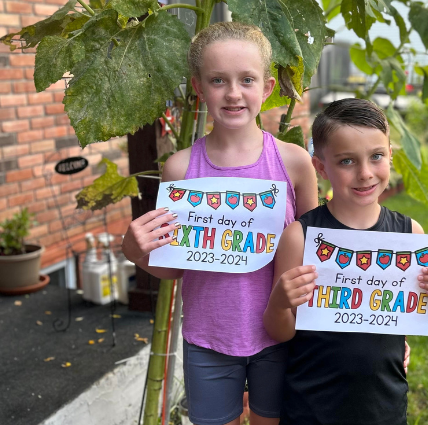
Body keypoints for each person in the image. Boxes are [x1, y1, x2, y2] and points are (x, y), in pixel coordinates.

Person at [121, 22, 319, 425]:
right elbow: (174, 266)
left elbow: (318, 256)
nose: (233, 93)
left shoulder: (294, 163)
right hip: (208, 339)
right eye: (218, 80)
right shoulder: (179, 170)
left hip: (282, 337)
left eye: (246, 79)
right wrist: (134, 251)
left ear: (265, 87)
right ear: (199, 87)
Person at [263, 98, 428, 425]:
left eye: (377, 157)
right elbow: (279, 331)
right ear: (321, 167)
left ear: (391, 156)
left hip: (383, 405)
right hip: (310, 407)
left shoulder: (410, 234)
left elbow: (410, 320)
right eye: (347, 161)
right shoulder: (300, 236)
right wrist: (279, 303)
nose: (365, 173)